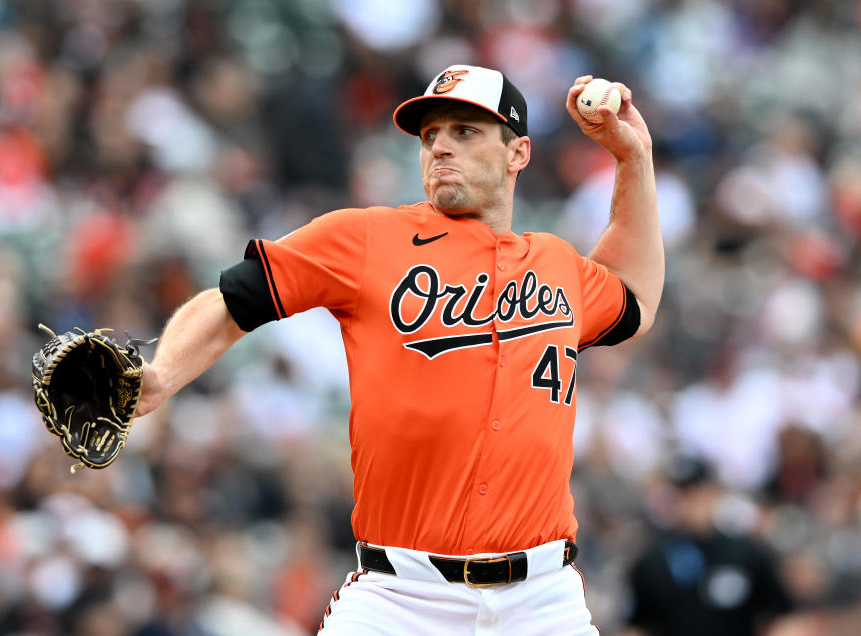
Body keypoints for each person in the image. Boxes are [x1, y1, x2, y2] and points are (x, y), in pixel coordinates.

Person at [136, 65, 662, 634]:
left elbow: (634, 297)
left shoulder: (558, 263)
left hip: (542, 600)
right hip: (401, 597)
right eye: (430, 134)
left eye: (465, 132)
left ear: (518, 154)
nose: (440, 147)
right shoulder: (366, 239)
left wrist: (633, 158)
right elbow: (232, 300)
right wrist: (163, 373)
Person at [623, 456, 794, 636]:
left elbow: (782, 615)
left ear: (715, 492)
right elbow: (636, 625)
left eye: (699, 491)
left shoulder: (745, 553)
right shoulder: (654, 560)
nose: (693, 501)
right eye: (684, 493)